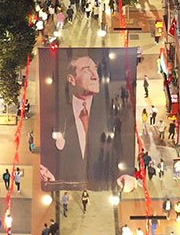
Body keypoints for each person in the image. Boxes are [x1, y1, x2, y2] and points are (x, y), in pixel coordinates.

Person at [39, 54, 127, 188]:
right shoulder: (55, 113)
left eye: (95, 69)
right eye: (86, 70)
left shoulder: (111, 110)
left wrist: (127, 175)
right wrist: (47, 173)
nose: (95, 76)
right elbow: (48, 155)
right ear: (72, 79)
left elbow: (124, 146)